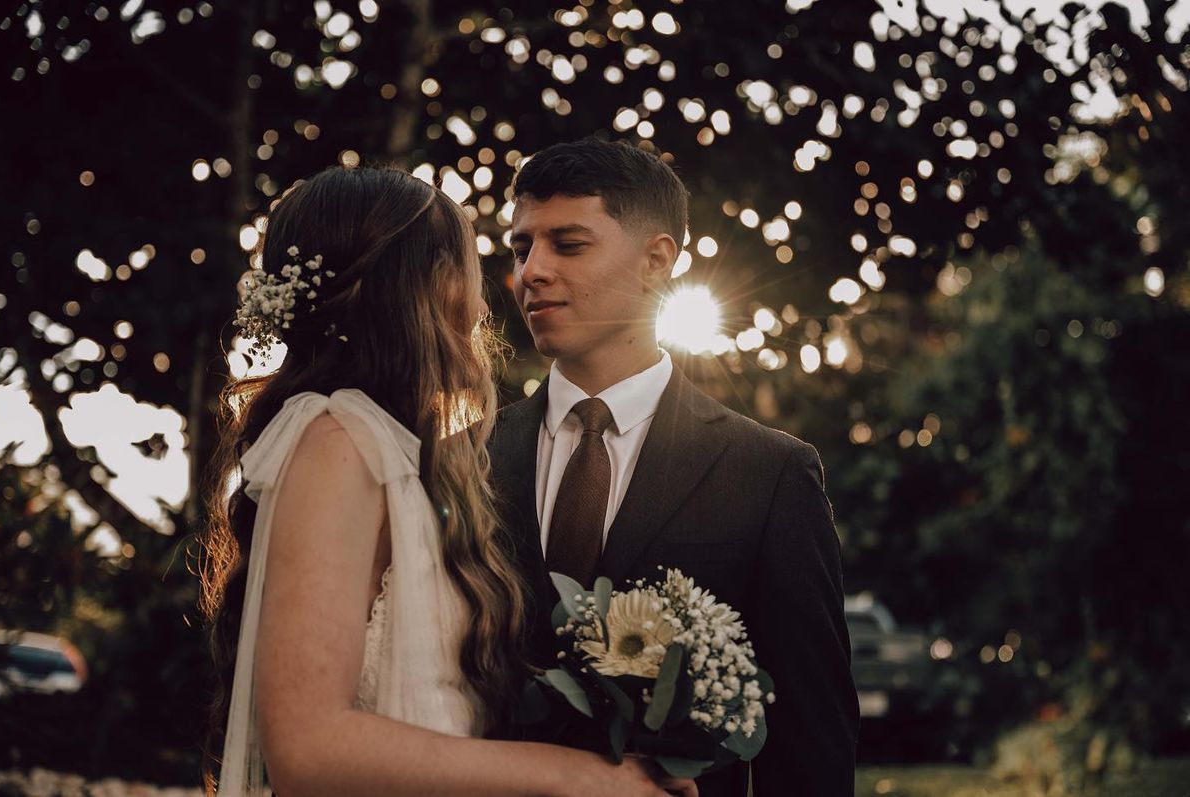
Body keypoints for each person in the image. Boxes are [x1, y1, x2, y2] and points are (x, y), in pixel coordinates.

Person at [198, 166, 697, 797]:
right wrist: (583, 779)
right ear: (417, 283)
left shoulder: (391, 448)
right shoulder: (338, 443)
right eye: (468, 272)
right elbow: (307, 747)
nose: (485, 307)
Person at [488, 139, 860, 796]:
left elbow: (809, 739)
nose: (531, 272)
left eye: (567, 244)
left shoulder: (769, 473)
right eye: (521, 249)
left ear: (656, 260)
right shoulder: (463, 457)